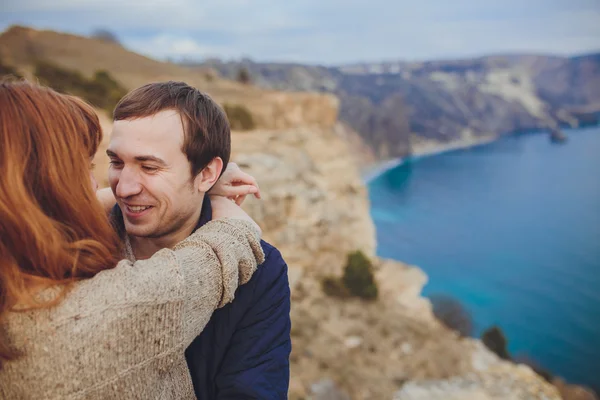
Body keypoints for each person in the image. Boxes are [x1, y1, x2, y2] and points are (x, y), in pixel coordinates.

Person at [0, 80, 264, 399]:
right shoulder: (90, 320)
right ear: (40, 187)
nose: (117, 188)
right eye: (84, 169)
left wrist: (194, 182)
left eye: (149, 166)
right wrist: (218, 204)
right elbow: (209, 260)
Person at [102, 81, 291, 399]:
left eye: (149, 167)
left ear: (206, 174)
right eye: (117, 163)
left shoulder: (260, 271)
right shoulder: (76, 244)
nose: (124, 188)